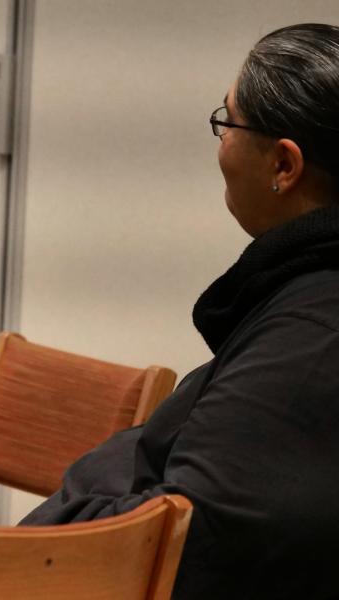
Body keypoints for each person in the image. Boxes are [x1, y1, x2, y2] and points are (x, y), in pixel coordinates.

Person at [21, 23, 339, 599]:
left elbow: (188, 540)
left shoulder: (312, 331)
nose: (221, 144)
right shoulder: (298, 293)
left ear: (284, 166)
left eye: (228, 121)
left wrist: (87, 492)